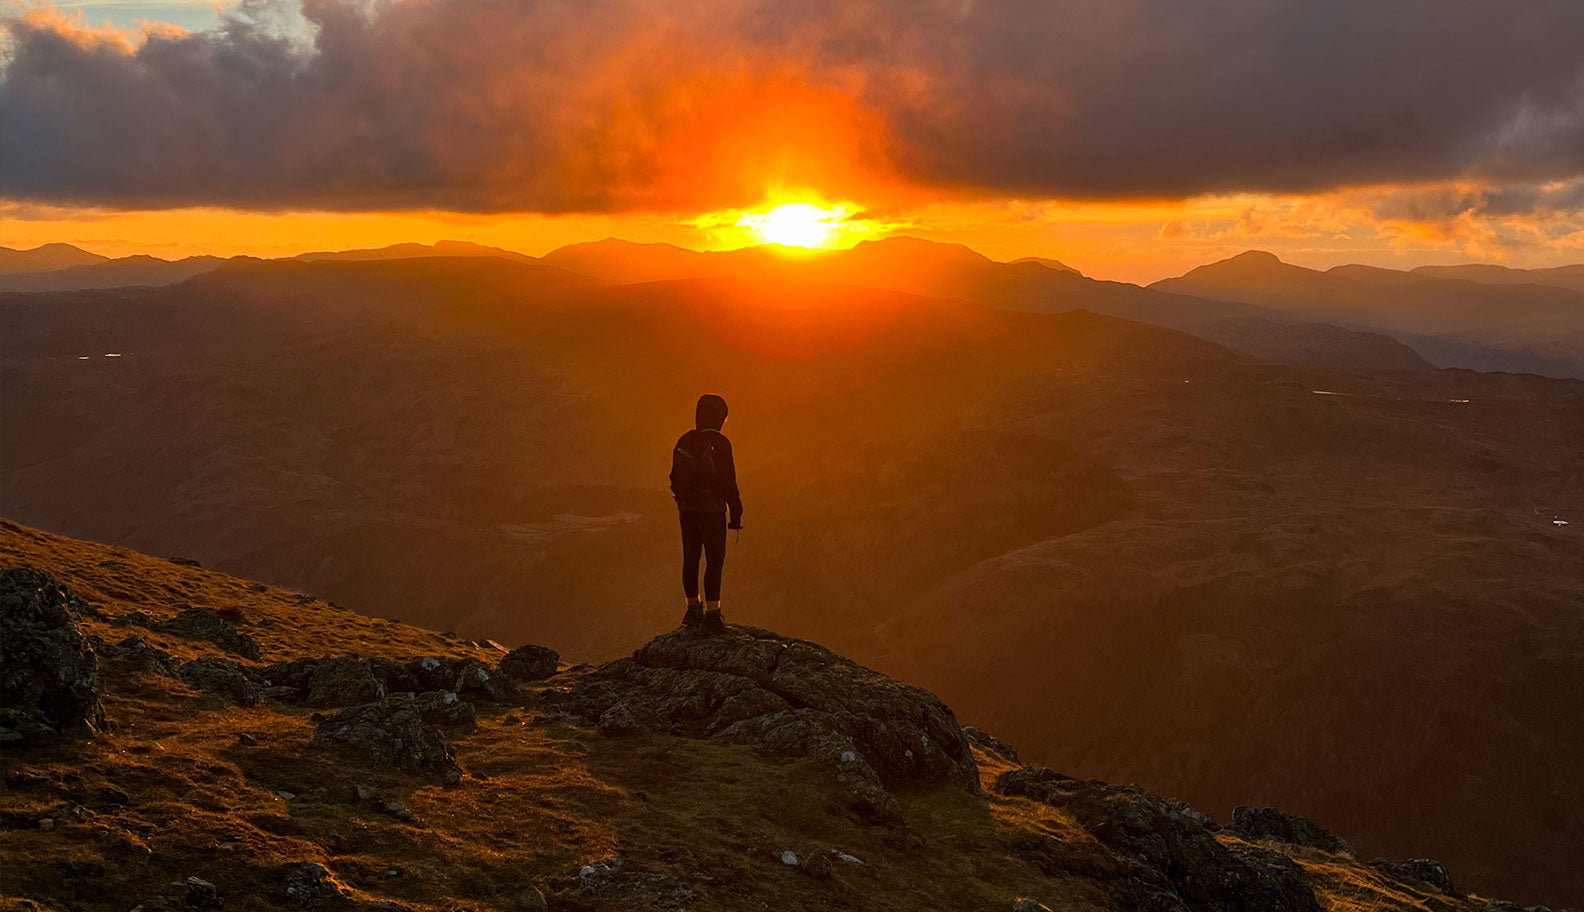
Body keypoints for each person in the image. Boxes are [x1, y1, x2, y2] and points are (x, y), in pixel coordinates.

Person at [669, 393, 743, 634]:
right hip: (711, 511)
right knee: (714, 559)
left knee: (690, 557)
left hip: (686, 509)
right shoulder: (719, 443)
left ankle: (693, 610)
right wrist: (736, 511)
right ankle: (712, 615)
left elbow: (673, 477)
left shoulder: (684, 440)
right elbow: (727, 481)